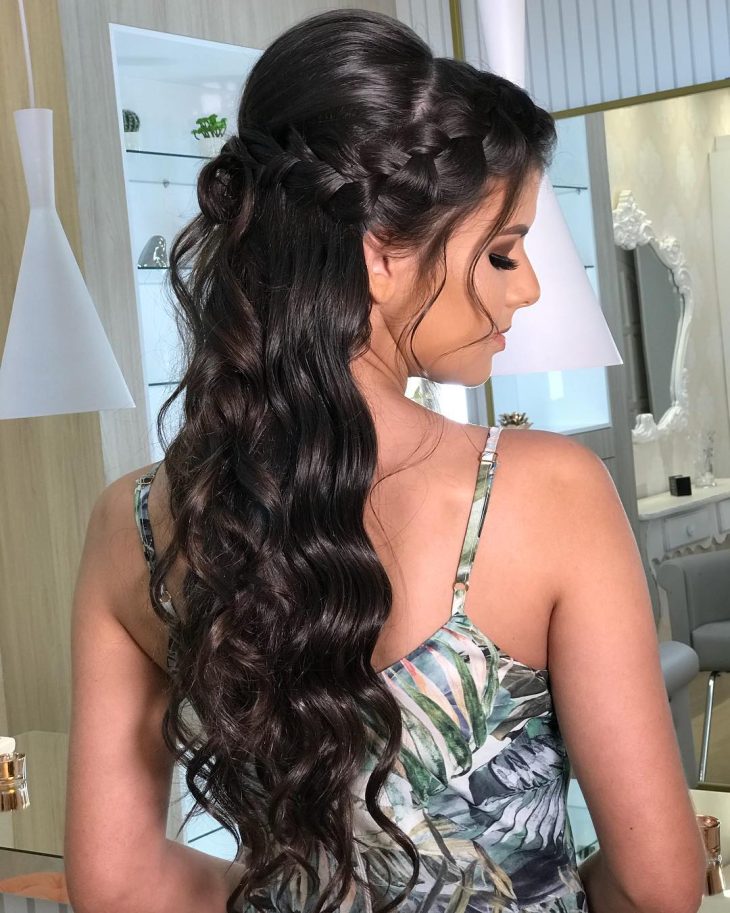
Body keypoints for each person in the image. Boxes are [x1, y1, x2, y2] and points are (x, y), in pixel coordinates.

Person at [64, 8, 707, 913]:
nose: (527, 288)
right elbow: (658, 883)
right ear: (379, 255)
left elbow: (118, 880)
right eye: (503, 252)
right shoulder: (549, 491)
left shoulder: (134, 523)